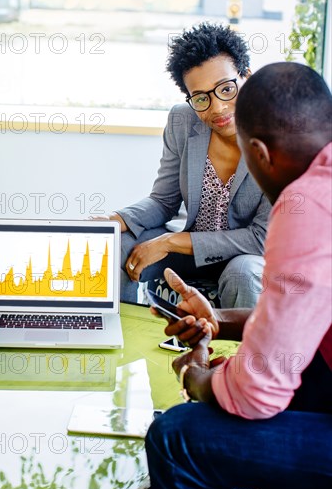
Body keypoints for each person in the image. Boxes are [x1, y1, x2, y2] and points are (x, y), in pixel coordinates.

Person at [145, 62, 332, 489]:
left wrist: (197, 378)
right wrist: (219, 320)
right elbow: (309, 320)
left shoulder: (306, 203)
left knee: (176, 437)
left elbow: (256, 395)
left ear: (260, 154)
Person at [102, 24, 271, 305]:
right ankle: (122, 338)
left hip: (246, 257)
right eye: (201, 98)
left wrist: (167, 243)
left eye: (227, 89)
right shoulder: (182, 120)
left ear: (247, 77)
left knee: (243, 272)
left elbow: (261, 238)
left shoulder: (278, 136)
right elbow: (163, 201)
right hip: (188, 249)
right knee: (118, 246)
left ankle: (238, 350)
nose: (217, 108)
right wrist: (118, 219)